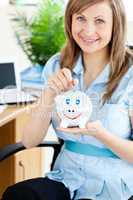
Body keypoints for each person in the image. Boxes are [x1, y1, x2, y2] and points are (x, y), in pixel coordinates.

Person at [2, 0, 133, 199]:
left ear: (116, 24)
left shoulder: (130, 74)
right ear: (70, 20)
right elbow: (29, 141)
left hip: (114, 185)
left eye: (99, 21)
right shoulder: (56, 65)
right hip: (66, 178)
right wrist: (48, 94)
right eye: (81, 18)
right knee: (19, 195)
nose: (88, 30)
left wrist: (100, 134)